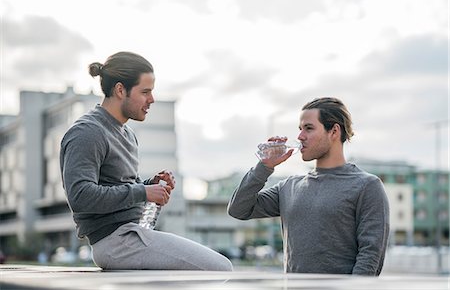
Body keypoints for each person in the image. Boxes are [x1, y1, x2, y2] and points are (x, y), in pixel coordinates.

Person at [60, 51, 232, 271]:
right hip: (115, 242)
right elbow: (80, 196)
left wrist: (150, 185)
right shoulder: (87, 133)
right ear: (120, 90)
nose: (152, 99)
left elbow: (118, 186)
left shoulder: (127, 134)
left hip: (133, 233)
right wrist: (143, 192)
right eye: (145, 92)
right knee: (220, 268)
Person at [227, 97, 389, 275]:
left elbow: (370, 256)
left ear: (334, 131)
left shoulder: (367, 186)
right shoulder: (289, 187)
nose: (300, 136)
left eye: (309, 128)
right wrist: (264, 166)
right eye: (300, 129)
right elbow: (238, 209)